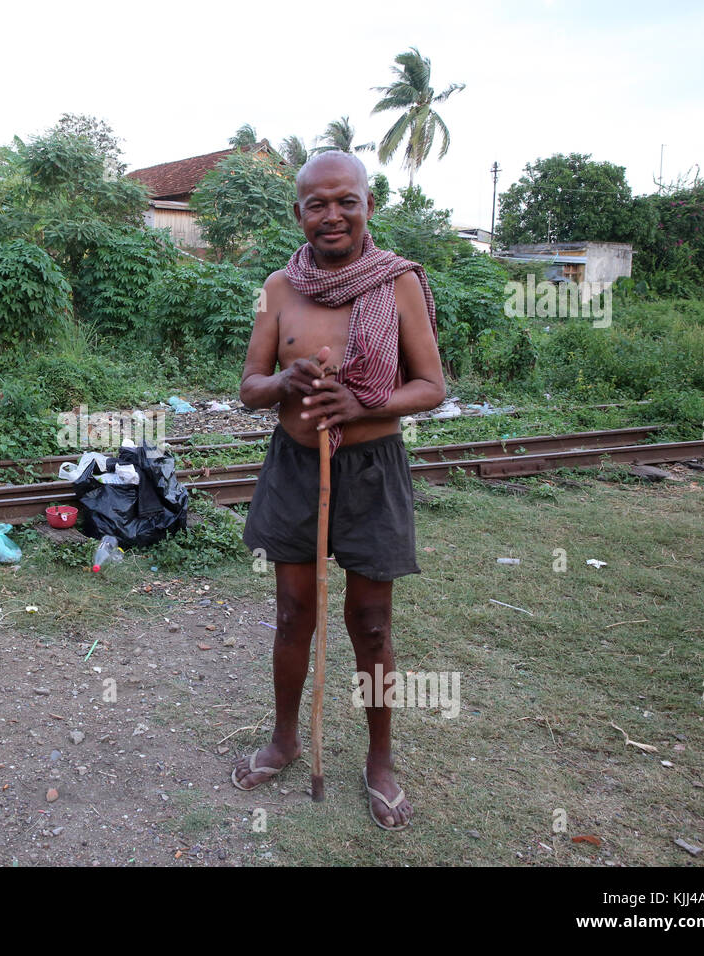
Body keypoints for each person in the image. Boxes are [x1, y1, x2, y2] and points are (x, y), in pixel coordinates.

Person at [233, 152, 445, 829]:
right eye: (316, 204)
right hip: (295, 468)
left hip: (371, 469)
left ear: (367, 205)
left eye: (344, 201)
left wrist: (361, 409)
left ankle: (380, 760)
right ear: (298, 213)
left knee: (372, 623)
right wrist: (284, 384)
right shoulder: (278, 286)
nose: (332, 215)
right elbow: (248, 390)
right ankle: (286, 739)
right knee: (295, 614)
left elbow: (432, 388)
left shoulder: (399, 284)